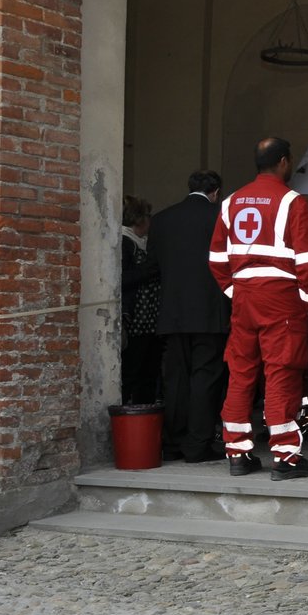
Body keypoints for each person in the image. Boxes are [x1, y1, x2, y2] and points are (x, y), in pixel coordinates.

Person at [210, 137, 308, 480]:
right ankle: (286, 457)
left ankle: (238, 453)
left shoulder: (231, 201)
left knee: (241, 372)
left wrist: (235, 290)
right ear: (284, 162)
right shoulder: (293, 201)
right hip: (282, 299)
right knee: (282, 371)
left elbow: (217, 258)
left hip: (244, 299)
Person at [150, 171, 230, 462]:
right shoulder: (221, 217)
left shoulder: (161, 220)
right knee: (205, 380)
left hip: (172, 313)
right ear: (216, 191)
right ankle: (197, 445)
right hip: (211, 313)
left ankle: (172, 443)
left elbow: (154, 266)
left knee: (175, 380)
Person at [120, 195, 163, 405]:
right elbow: (122, 278)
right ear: (140, 220)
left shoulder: (144, 243)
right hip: (136, 321)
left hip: (150, 322)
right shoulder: (124, 243)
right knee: (132, 373)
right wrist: (151, 268)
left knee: (148, 374)